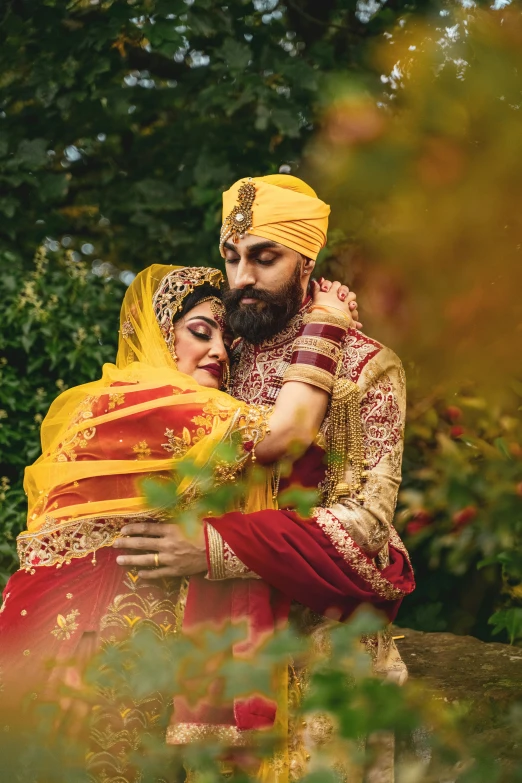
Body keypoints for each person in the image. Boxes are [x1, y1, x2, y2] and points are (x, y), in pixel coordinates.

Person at [0, 263, 358, 779]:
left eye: (226, 341)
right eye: (199, 332)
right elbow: (288, 432)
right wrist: (325, 322)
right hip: (93, 647)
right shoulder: (152, 399)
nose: (217, 351)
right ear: (157, 333)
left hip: (113, 645)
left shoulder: (138, 408)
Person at [115, 176, 415, 777]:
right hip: (210, 657)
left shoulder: (364, 367)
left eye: (263, 257)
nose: (242, 277)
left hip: (318, 659)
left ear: (308, 262)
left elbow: (365, 530)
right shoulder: (219, 355)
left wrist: (212, 548)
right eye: (232, 257)